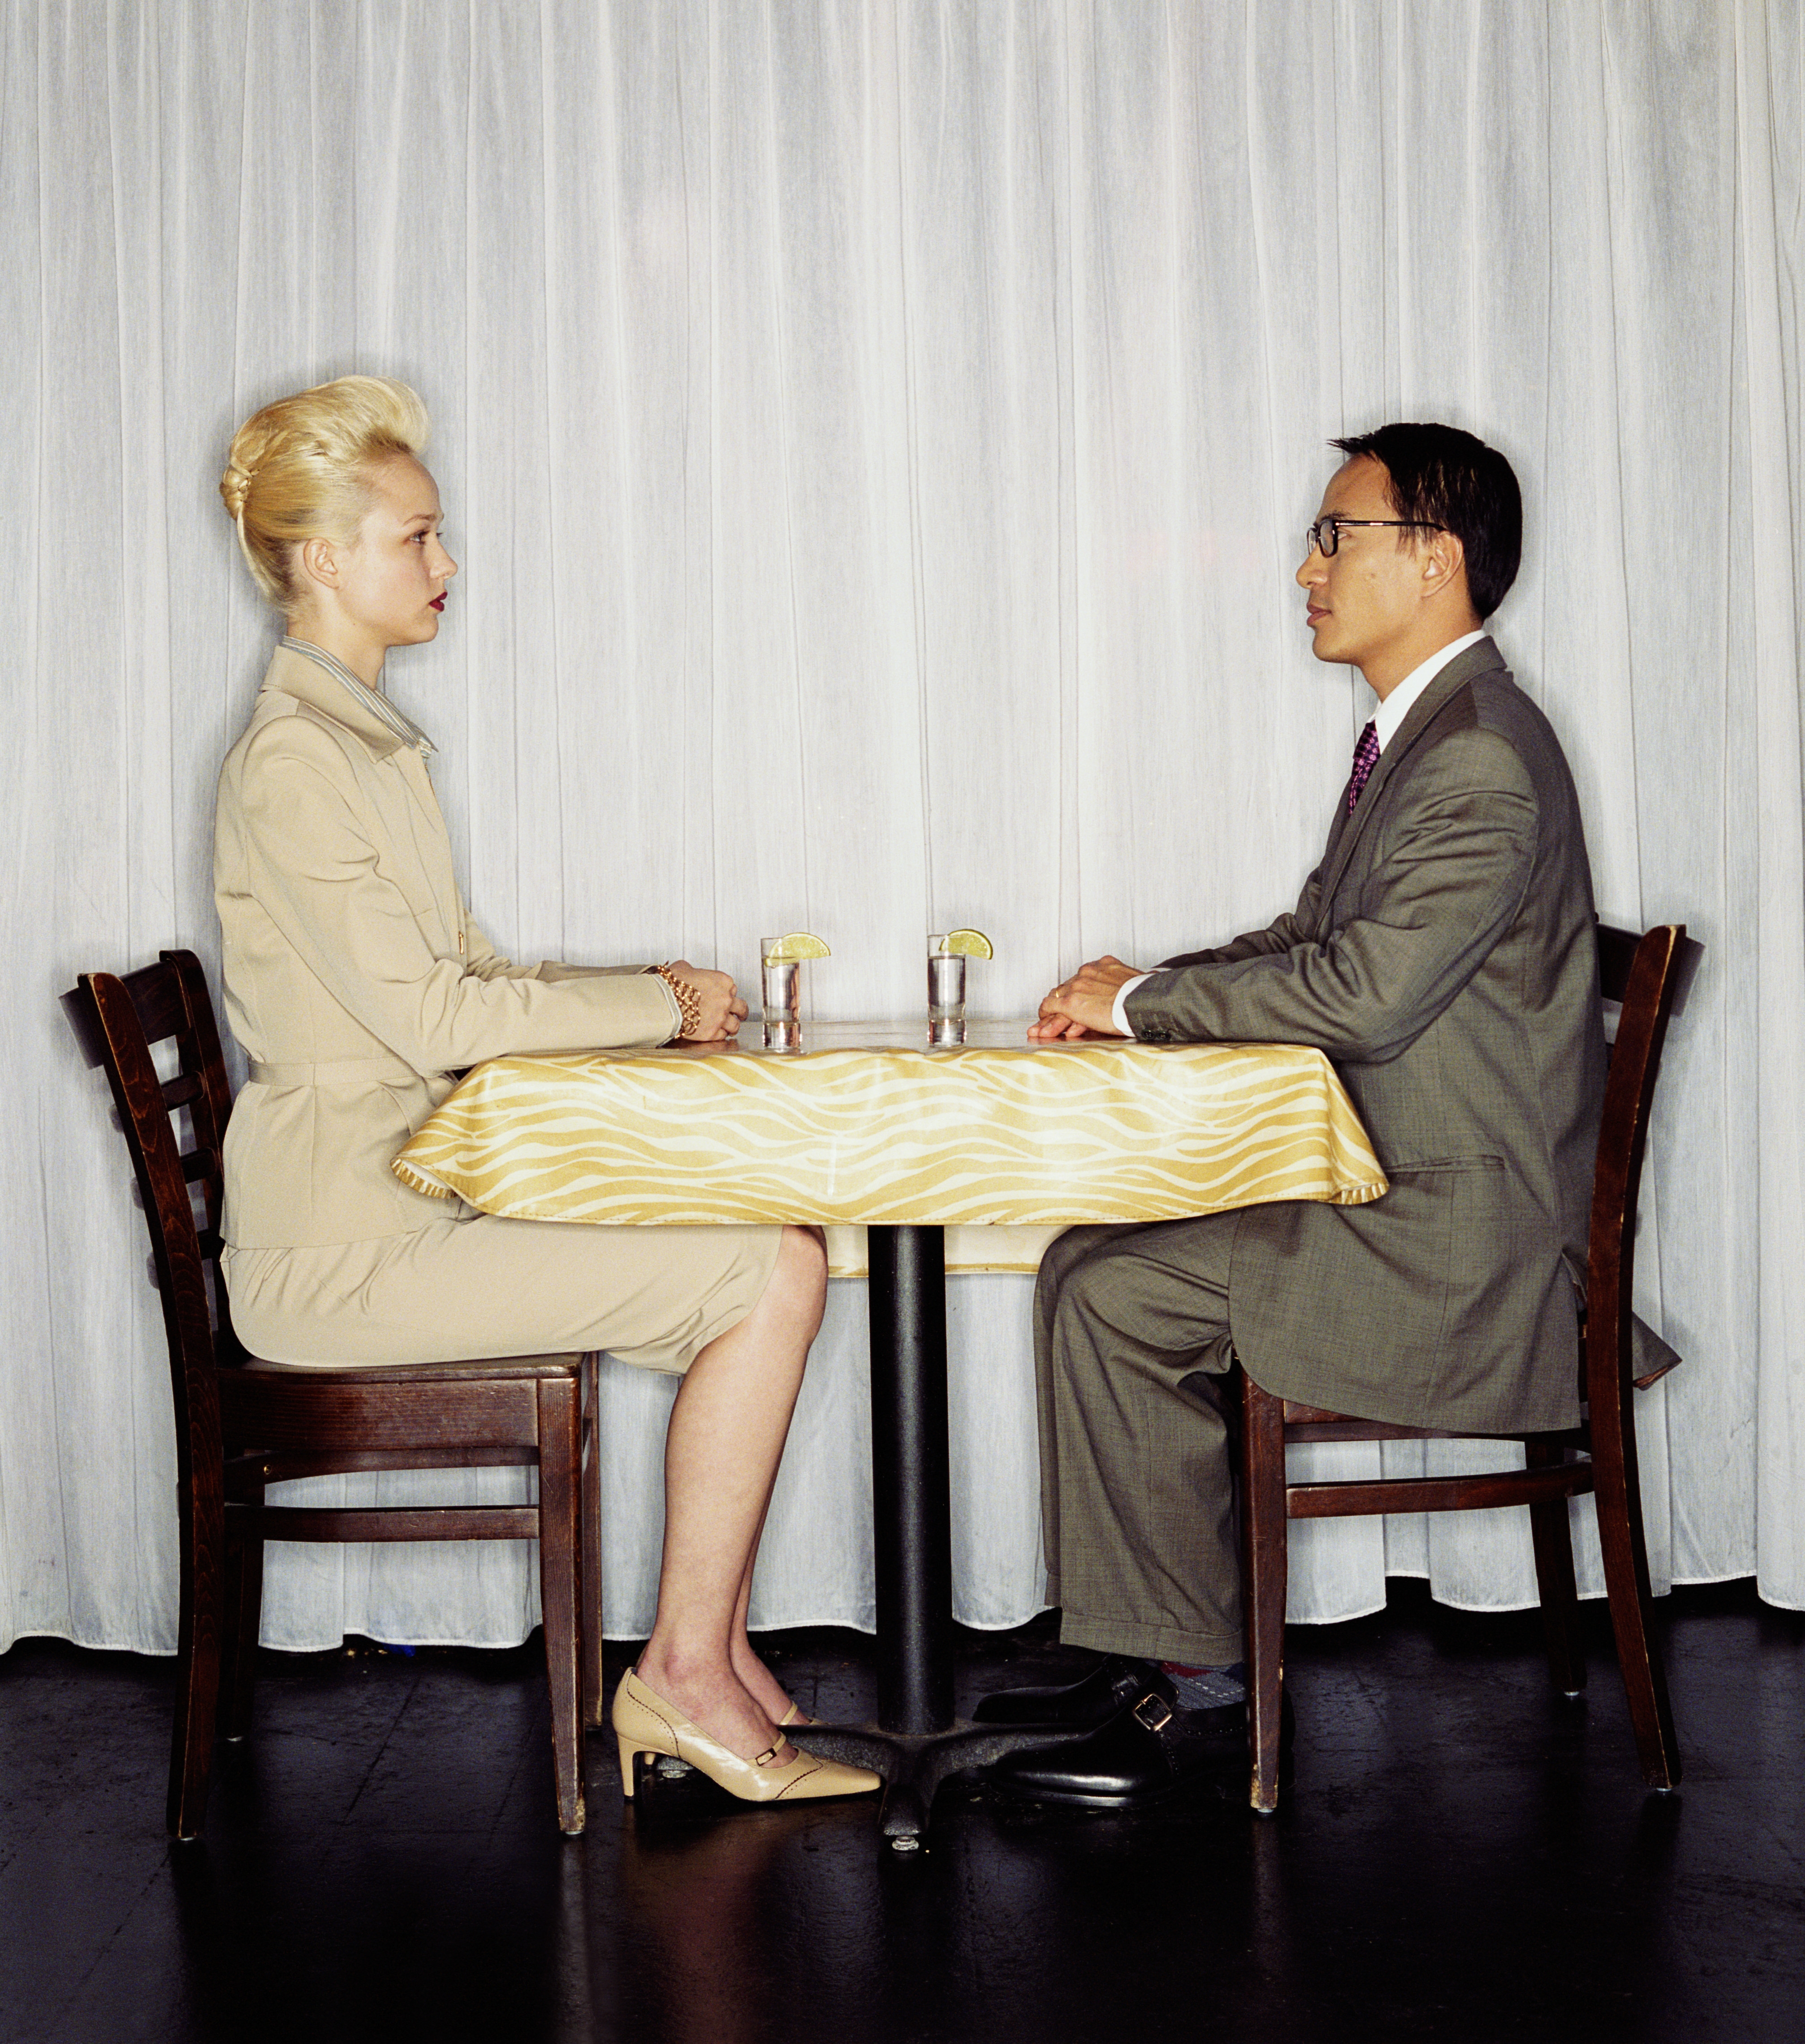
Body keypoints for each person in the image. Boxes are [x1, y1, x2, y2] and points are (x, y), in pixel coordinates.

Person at [978, 421, 1673, 1807]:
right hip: (1408, 1194)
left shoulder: (1476, 754)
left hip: (1451, 1246)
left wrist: (1136, 1009)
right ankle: (1155, 1647)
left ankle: (1195, 1687)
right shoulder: (1430, 737)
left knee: (1112, 1289)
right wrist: (1150, 985)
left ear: (1434, 560)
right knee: (1087, 1262)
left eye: (1332, 535)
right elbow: (1313, 931)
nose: (1305, 567)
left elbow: (1360, 993)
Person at [214, 374, 876, 1806]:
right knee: (772, 1267)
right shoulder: (295, 762)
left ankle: (709, 1642)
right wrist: (655, 1004)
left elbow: (468, 970)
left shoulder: (361, 745)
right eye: (418, 539)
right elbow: (441, 1016)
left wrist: (647, 992)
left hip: (393, 1211)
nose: (445, 568)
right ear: (326, 559)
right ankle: (684, 1674)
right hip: (337, 1252)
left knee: (776, 1247)